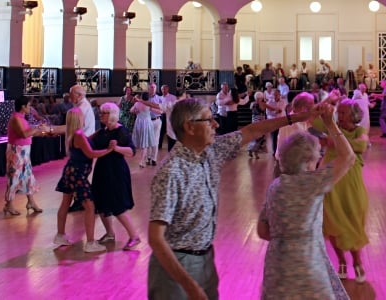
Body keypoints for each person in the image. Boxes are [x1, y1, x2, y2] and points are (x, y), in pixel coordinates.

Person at [147, 98, 324, 299]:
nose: (216, 124)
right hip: (175, 266)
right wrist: (190, 285)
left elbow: (251, 131)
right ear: (189, 127)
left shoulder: (211, 151)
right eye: (208, 120)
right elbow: (156, 238)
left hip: (204, 258)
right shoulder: (171, 172)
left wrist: (299, 117)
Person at [257, 106, 354, 299]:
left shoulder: (275, 187)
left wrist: (287, 236)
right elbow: (348, 157)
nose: (320, 156)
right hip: (308, 263)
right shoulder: (312, 183)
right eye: (318, 152)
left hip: (277, 265)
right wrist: (330, 123)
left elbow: (263, 231)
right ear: (309, 160)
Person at [319, 98, 370, 284]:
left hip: (352, 182)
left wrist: (336, 141)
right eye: (337, 111)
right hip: (330, 180)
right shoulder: (332, 127)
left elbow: (361, 145)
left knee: (354, 219)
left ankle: (357, 261)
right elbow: (311, 124)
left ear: (353, 115)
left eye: (342, 112)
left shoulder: (359, 130)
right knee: (331, 221)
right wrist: (327, 102)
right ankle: (341, 261)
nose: (338, 115)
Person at [53, 108, 112, 252]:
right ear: (78, 118)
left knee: (65, 203)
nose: (84, 116)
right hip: (78, 174)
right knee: (90, 206)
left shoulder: (75, 134)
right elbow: (91, 153)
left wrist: (100, 132)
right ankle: (90, 243)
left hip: (70, 171)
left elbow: (87, 141)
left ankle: (60, 235)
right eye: (82, 115)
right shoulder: (78, 134)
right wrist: (109, 150)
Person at [91, 103, 140, 251]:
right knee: (101, 203)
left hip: (116, 171)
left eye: (103, 113)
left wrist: (116, 148)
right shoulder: (102, 131)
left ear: (111, 114)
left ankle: (134, 236)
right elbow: (90, 142)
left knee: (117, 206)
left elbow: (131, 152)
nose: (101, 116)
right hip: (102, 170)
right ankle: (110, 233)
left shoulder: (121, 131)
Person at [3, 96, 47, 216]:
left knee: (28, 176)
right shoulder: (16, 118)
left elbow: (29, 133)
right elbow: (23, 134)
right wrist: (37, 128)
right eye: (28, 106)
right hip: (16, 151)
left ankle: (31, 202)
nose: (30, 108)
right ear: (23, 107)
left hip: (24, 151)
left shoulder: (22, 118)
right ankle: (9, 205)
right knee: (14, 177)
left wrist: (41, 131)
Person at [67, 84, 96, 212]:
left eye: (71, 94)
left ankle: (88, 202)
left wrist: (51, 129)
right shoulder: (80, 106)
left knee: (80, 174)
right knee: (79, 175)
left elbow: (74, 127)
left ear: (79, 95)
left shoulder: (82, 108)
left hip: (83, 145)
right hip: (81, 144)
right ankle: (81, 200)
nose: (69, 96)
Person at [130, 92, 157, 168]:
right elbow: (156, 110)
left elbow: (131, 110)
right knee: (145, 144)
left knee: (143, 143)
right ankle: (141, 161)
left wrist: (136, 111)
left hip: (139, 122)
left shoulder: (137, 104)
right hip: (146, 123)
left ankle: (143, 160)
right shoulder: (148, 104)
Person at [146, 83, 163, 166]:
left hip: (156, 121)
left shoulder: (159, 99)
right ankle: (148, 157)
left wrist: (151, 108)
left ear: (156, 89)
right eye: (150, 87)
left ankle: (154, 159)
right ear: (148, 89)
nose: (152, 89)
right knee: (148, 140)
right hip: (147, 121)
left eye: (153, 87)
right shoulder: (145, 98)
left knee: (155, 140)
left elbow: (161, 111)